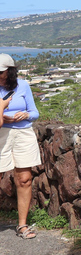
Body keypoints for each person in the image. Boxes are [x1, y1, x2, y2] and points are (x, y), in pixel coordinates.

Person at [0, 53, 41, 239]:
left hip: (23, 133)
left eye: (2, 72)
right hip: (2, 133)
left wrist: (26, 115)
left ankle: (22, 225)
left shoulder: (23, 85)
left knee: (24, 178)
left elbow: (34, 112)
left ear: (11, 71)